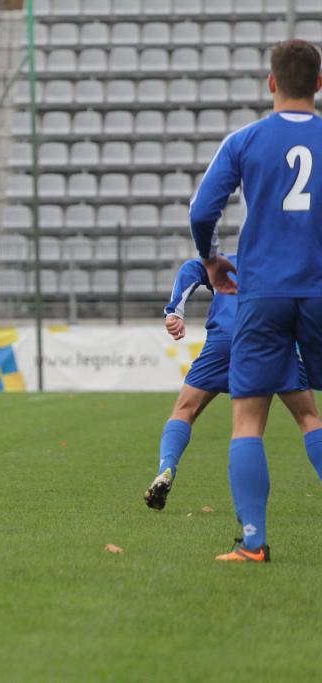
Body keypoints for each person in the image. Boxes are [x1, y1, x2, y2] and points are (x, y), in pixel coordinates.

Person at [190, 39, 322, 561]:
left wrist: (210, 258)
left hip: (263, 292)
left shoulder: (244, 140)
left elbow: (202, 211)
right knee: (310, 415)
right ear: (319, 84)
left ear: (271, 82)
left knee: (248, 418)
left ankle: (254, 543)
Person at [145, 254, 320, 511]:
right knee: (307, 417)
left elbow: (191, 267)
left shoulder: (229, 261)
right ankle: (252, 523)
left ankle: (166, 468)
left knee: (185, 409)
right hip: (272, 341)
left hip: (224, 340)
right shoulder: (288, 260)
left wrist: (175, 311)